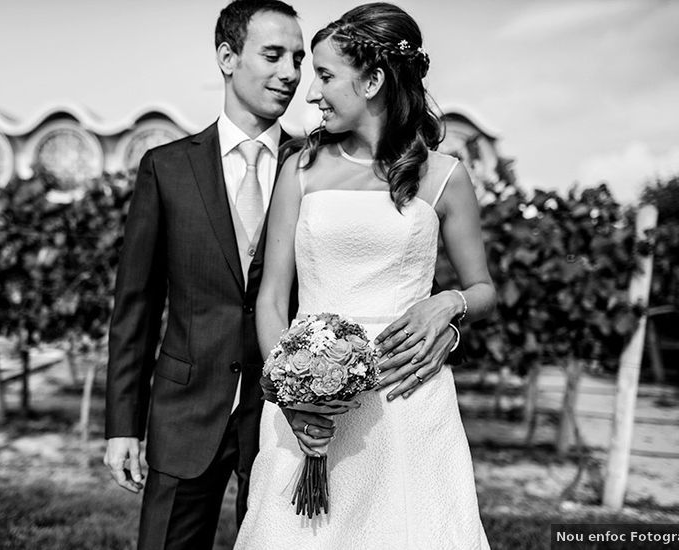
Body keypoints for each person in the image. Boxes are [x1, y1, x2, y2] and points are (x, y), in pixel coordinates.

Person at [104, 2, 459, 549]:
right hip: (187, 411)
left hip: (298, 419)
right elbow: (136, 306)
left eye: (299, 58)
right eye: (273, 56)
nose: (292, 74)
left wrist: (448, 317)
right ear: (227, 57)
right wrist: (122, 425)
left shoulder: (317, 164)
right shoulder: (167, 167)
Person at [235, 3, 496, 549]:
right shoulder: (300, 171)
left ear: (374, 80)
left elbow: (483, 288)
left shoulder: (445, 176)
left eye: (325, 76)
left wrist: (448, 304)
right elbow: (272, 299)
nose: (310, 93)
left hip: (407, 399)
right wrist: (292, 395)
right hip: (306, 406)